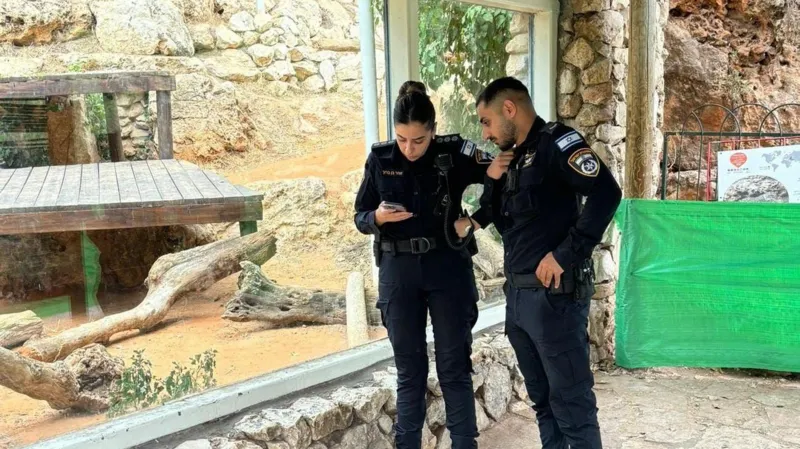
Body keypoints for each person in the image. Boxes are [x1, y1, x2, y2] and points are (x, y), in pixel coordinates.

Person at [463, 76, 621, 448]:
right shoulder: (513, 158)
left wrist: (566, 254)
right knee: (544, 403)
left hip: (555, 300)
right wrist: (493, 181)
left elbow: (606, 193)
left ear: (509, 109)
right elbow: (503, 217)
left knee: (572, 404)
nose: (484, 133)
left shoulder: (556, 143)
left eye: (486, 121)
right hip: (518, 301)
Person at [354, 80, 494, 449]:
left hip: (448, 265)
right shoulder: (381, 159)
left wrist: (476, 219)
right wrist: (378, 219)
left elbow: (502, 178)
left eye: (418, 140)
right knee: (410, 372)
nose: (409, 148)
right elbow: (360, 215)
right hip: (398, 272)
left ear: (432, 130)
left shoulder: (455, 152)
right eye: (402, 139)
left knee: (453, 368)